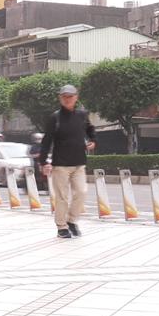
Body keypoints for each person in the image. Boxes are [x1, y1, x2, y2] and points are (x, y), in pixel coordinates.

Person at [39, 85, 96, 239]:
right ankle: (61, 226)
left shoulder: (82, 115)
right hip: (60, 165)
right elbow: (46, 141)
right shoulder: (55, 118)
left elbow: (90, 130)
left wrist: (92, 140)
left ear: (76, 97)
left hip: (79, 163)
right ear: (60, 98)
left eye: (70, 96)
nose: (67, 99)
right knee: (62, 198)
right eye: (64, 96)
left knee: (81, 193)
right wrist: (43, 162)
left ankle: (71, 221)